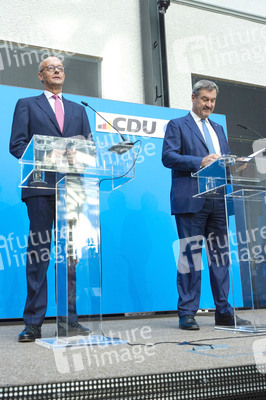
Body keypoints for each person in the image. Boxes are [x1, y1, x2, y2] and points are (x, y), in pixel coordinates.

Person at [10, 56, 93, 342]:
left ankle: (69, 320)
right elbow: (17, 145)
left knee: (70, 255)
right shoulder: (27, 105)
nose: (57, 71)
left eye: (60, 68)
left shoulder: (78, 110)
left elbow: (89, 146)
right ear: (40, 75)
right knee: (39, 253)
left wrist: (78, 154)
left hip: (71, 187)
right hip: (40, 187)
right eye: (50, 67)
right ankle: (33, 322)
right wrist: (47, 154)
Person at [162, 80, 251, 330]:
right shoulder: (177, 125)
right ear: (193, 98)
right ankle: (187, 312)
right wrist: (199, 161)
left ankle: (224, 311)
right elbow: (168, 157)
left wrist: (236, 166)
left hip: (219, 199)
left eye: (212, 101)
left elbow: (223, 161)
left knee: (221, 258)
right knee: (190, 256)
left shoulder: (218, 129)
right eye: (204, 100)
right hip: (191, 199)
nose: (208, 105)